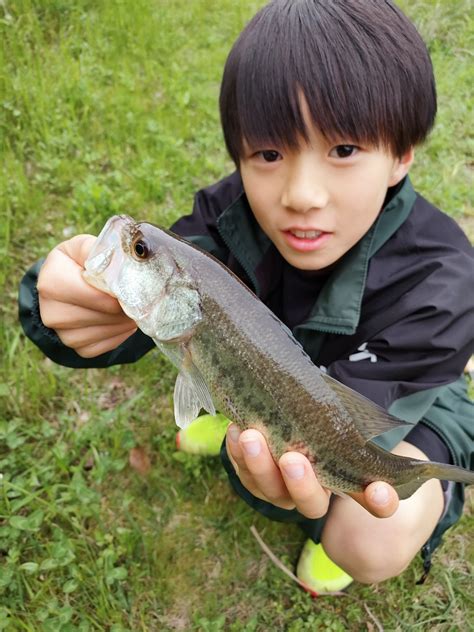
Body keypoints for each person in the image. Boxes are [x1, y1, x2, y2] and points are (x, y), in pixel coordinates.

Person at [19, 0, 473, 593]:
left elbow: (345, 419)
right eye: (269, 154)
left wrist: (324, 455)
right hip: (274, 369)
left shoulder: (446, 284)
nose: (303, 194)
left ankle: (363, 515)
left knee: (371, 527)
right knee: (238, 394)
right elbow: (135, 312)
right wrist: (62, 308)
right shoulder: (223, 223)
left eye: (343, 150)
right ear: (238, 156)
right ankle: (230, 407)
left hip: (407, 394)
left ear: (402, 155)